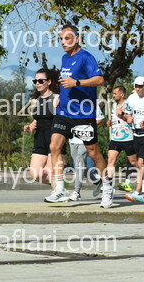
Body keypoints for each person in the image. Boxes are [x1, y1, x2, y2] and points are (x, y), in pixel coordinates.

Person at [45, 25, 111, 208]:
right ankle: (60, 189)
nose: (63, 42)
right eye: (61, 39)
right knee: (54, 146)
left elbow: (100, 80)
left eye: (67, 38)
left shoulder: (86, 57)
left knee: (93, 152)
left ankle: (107, 187)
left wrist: (77, 82)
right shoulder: (64, 58)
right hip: (64, 112)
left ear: (77, 38)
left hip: (83, 114)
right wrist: (60, 96)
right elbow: (66, 83)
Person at [23, 68, 59, 187]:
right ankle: (61, 185)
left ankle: (58, 192)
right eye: (35, 81)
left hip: (55, 138)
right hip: (40, 139)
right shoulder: (35, 101)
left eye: (40, 81)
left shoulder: (56, 98)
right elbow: (38, 118)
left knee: (49, 171)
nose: (37, 83)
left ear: (49, 82)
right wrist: (32, 124)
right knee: (35, 174)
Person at [68, 105, 104, 201]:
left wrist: (87, 128)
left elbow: (100, 118)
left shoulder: (91, 102)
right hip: (72, 139)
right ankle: (97, 181)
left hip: (85, 138)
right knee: (80, 166)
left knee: (79, 164)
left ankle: (77, 192)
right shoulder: (70, 102)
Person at [106, 86, 137, 192]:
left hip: (127, 138)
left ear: (122, 94)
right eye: (113, 93)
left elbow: (130, 120)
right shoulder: (114, 105)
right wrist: (111, 122)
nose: (113, 95)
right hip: (115, 138)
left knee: (134, 162)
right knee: (110, 161)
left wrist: (122, 115)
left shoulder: (128, 105)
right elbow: (116, 119)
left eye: (115, 94)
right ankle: (109, 185)